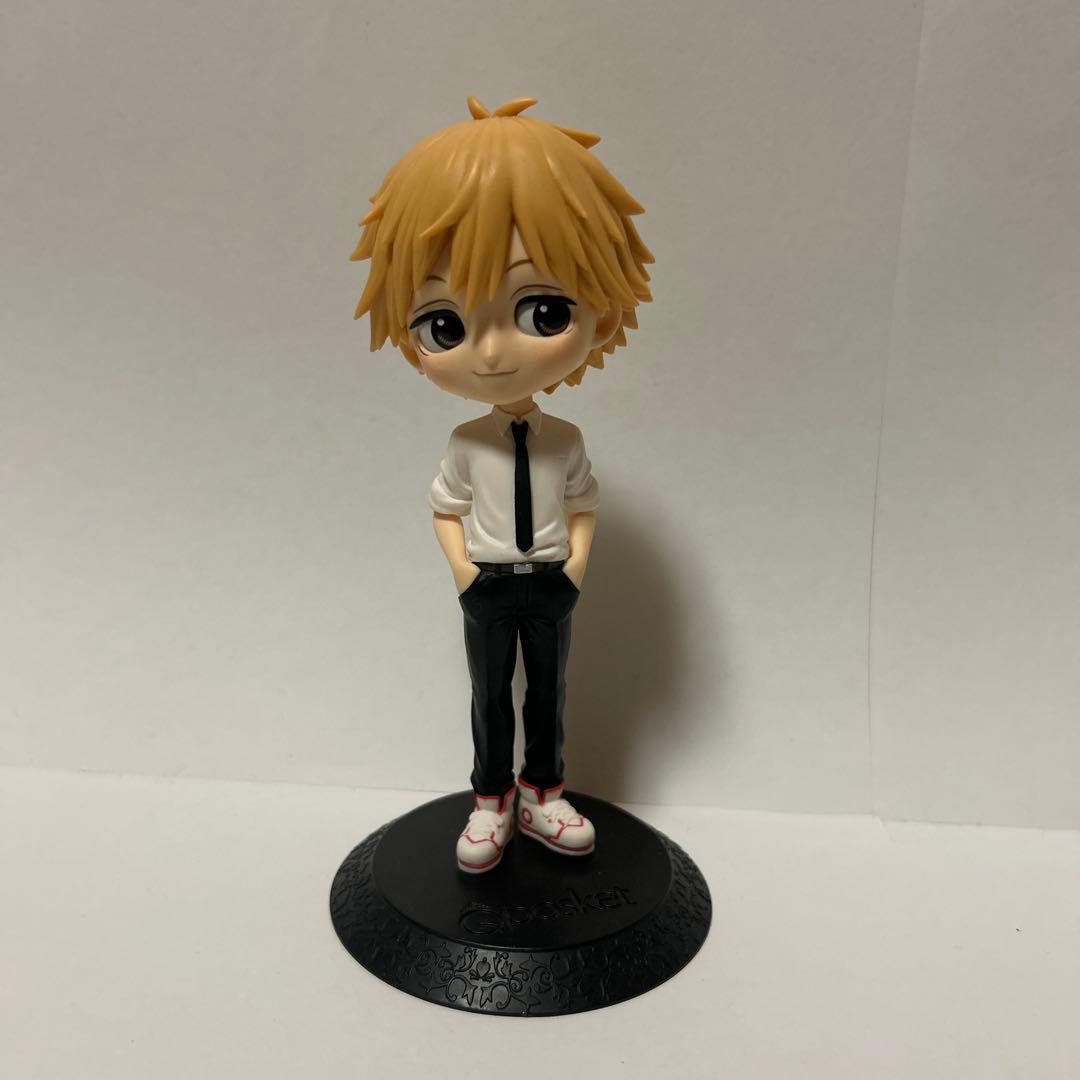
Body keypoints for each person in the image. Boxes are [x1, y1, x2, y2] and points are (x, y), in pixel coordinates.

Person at [350, 95, 652, 873]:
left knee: (547, 692)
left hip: (549, 583)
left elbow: (583, 503)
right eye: (445, 324)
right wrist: (465, 573)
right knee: (488, 695)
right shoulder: (466, 444)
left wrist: (574, 567)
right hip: (487, 584)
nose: (489, 355)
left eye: (541, 310)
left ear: (601, 314)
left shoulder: (565, 441)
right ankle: (490, 801)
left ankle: (544, 792)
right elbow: (444, 510)